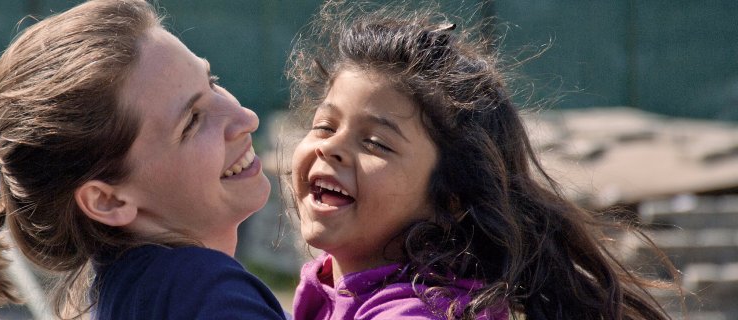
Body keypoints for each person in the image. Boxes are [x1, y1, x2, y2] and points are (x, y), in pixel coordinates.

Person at [285, 1, 676, 319]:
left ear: (451, 197)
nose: (330, 147)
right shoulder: (331, 286)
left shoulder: (419, 312)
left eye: (375, 143)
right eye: (324, 125)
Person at [0, 1, 287, 319]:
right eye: (191, 122)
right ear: (108, 200)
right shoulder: (205, 293)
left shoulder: (135, 292)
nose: (245, 118)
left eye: (213, 81)